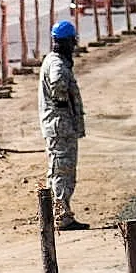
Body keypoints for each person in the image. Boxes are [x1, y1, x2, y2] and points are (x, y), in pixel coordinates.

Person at [39, 19, 89, 231]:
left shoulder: (53, 59)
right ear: (68, 41)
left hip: (59, 126)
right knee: (62, 171)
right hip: (61, 126)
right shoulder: (57, 63)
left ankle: (57, 214)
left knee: (59, 171)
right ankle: (62, 217)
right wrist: (61, 101)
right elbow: (58, 83)